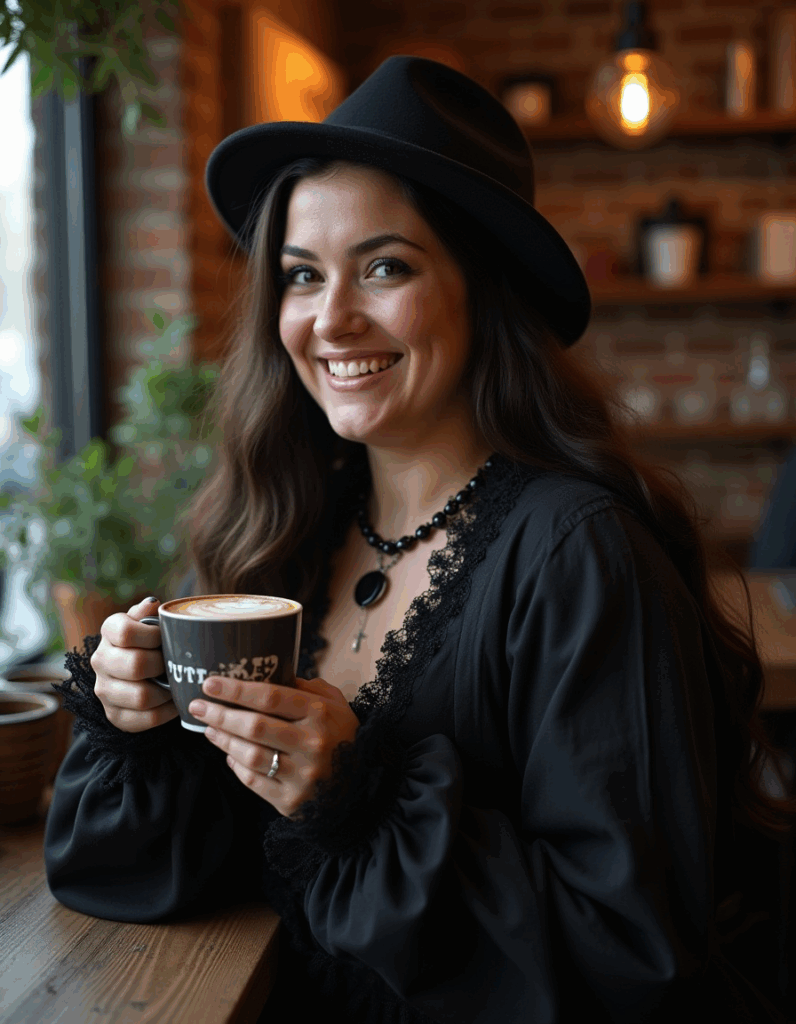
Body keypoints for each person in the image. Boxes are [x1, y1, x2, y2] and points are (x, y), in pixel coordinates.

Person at [44, 56, 795, 1023]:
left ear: (485, 289)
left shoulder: (581, 557)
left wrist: (355, 799)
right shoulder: (275, 536)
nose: (332, 319)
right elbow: (140, 879)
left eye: (385, 267)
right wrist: (138, 721)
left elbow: (632, 958)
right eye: (302, 276)